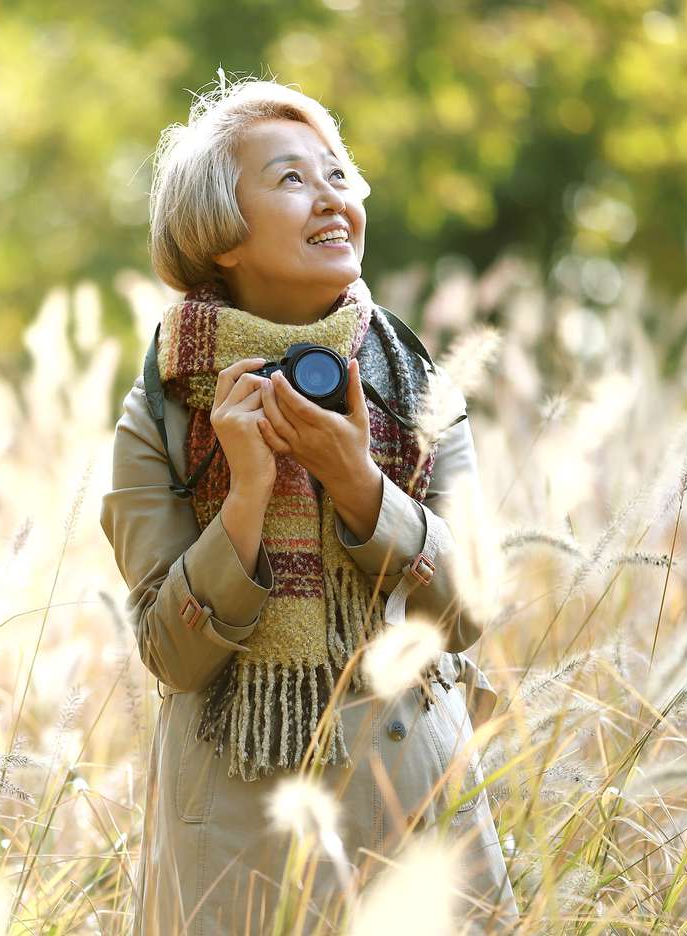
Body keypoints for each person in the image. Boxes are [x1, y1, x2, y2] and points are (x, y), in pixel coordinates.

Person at [99, 77, 518, 935]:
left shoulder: (419, 389)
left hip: (415, 822)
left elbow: (471, 604)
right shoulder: (164, 409)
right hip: (232, 847)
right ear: (219, 234)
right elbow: (170, 656)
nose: (331, 197)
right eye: (291, 179)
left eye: (337, 174)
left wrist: (358, 483)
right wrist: (247, 496)